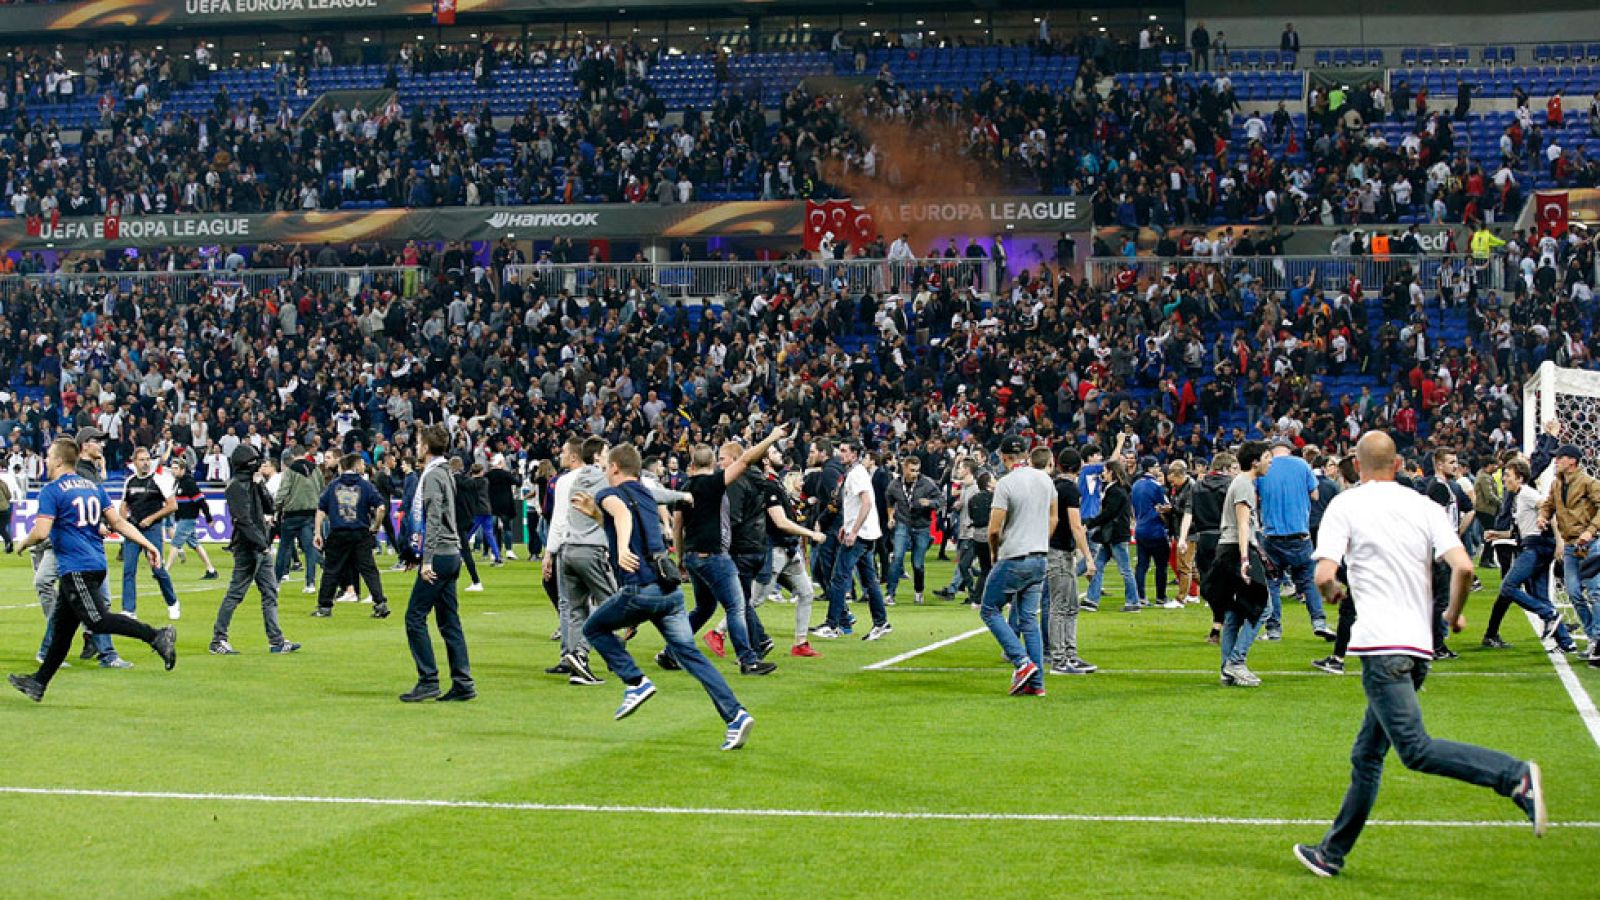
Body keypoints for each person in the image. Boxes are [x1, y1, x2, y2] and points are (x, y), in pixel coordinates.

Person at [1293, 431, 1547, 878]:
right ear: (1397, 465)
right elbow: (1463, 566)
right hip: (1417, 648)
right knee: (1367, 755)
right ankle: (1331, 853)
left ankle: (1513, 776)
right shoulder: (1424, 506)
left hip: (1382, 647)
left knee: (1414, 749)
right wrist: (1453, 613)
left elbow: (1323, 575)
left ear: (1357, 465)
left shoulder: (1346, 505)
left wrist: (1332, 591)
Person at [575, 443, 754, 750]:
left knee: (593, 627)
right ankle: (736, 715)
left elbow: (622, 516)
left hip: (641, 590)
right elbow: (626, 520)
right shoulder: (646, 494)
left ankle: (635, 682)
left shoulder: (608, 494)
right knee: (691, 656)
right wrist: (596, 516)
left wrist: (622, 548)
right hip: (670, 592)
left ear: (614, 468)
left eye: (606, 467)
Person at [8, 437, 178, 703]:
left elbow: (41, 532)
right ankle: (38, 683)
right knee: (62, 630)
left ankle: (156, 635)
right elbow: (118, 522)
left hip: (77, 567)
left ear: (59, 460)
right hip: (95, 563)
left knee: (98, 621)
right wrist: (147, 544)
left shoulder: (52, 491)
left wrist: (23, 543)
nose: (46, 461)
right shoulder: (92, 487)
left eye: (49, 456)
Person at [676, 425, 789, 672]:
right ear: (713, 463)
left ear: (692, 464)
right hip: (714, 556)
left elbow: (678, 524)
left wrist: (680, 557)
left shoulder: (685, 488)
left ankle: (671, 652)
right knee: (736, 607)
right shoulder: (715, 483)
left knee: (704, 607)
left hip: (693, 556)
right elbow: (746, 460)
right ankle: (748, 660)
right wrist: (772, 437)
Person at [400, 424, 475, 702]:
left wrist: (426, 559)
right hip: (451, 553)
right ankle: (463, 683)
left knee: (414, 617)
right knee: (449, 621)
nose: (416, 447)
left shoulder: (432, 476)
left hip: (440, 555)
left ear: (425, 447)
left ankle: (428, 680)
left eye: (418, 443)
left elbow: (432, 520)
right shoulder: (445, 472)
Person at [980, 436, 1057, 696]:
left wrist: (994, 553)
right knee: (1028, 619)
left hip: (1014, 556)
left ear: (1003, 457)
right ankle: (1037, 684)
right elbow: (1053, 517)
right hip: (1039, 557)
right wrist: (1041, 539)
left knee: (989, 609)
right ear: (1025, 453)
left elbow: (993, 529)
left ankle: (1021, 662)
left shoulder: (1006, 483)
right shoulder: (1045, 480)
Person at [211, 444, 302, 655]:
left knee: (270, 593)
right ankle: (218, 640)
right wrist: (262, 545)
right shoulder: (235, 487)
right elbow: (243, 520)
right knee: (236, 594)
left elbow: (269, 506)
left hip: (260, 546)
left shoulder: (252, 483)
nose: (259, 465)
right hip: (248, 548)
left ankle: (276, 640)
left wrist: (260, 485)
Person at [547, 436, 619, 684]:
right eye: (607, 452)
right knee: (613, 603)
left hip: (567, 548)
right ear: (597, 456)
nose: (610, 457)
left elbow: (560, 518)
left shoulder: (568, 480)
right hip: (591, 549)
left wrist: (550, 551)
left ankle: (575, 662)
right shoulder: (604, 479)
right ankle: (584, 651)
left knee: (574, 609)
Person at [1481, 458, 1573, 652]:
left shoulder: (1527, 493)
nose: (1504, 479)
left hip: (1535, 548)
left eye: (1508, 475)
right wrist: (1497, 534)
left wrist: (1559, 542)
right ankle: (1566, 642)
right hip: (1534, 546)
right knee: (1540, 596)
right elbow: (1518, 532)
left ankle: (1549, 614)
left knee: (1508, 586)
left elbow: (1549, 511)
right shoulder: (1518, 497)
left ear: (1520, 478)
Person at [745, 449, 827, 657]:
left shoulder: (777, 482)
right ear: (765, 461)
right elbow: (780, 522)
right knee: (755, 600)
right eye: (774, 452)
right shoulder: (768, 486)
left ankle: (801, 643)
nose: (780, 454)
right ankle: (719, 632)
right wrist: (811, 534)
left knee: (806, 593)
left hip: (789, 550)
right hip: (775, 550)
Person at [1205, 441, 1271, 687]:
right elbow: (1243, 524)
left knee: (1234, 611)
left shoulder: (1241, 482)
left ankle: (1227, 669)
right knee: (1264, 608)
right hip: (1236, 550)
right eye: (1267, 457)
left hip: (1227, 549)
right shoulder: (1244, 484)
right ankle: (1236, 662)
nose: (1270, 461)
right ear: (1255, 461)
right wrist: (1245, 559)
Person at [814, 439, 892, 641]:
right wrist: (846, 526)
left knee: (839, 578)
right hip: (865, 533)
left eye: (844, 450)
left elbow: (866, 503)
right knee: (869, 580)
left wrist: (853, 531)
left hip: (860, 535)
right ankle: (881, 622)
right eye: (840, 450)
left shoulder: (856, 474)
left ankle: (833, 624)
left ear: (855, 454)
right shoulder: (856, 472)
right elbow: (856, 504)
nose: (840, 454)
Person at [1257, 439, 1334, 642]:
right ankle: (1319, 622)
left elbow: (1255, 497)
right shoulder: (1301, 465)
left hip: (1272, 537)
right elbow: (1315, 495)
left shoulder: (1265, 468)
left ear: (1271, 452)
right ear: (1290, 450)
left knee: (1272, 584)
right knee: (1308, 581)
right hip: (1300, 535)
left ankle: (1273, 629)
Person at [1536, 444, 1600, 664]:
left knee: (1595, 593)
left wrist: (1590, 531)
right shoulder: (1556, 484)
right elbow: (1548, 505)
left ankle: (1598, 638)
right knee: (1574, 593)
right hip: (1572, 546)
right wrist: (1543, 517)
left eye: (1560, 458)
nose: (1556, 461)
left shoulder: (1589, 483)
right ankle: (1593, 637)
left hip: (1591, 544)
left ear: (1572, 461)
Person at [311, 453, 391, 619]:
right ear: (355, 466)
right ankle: (380, 604)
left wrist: (317, 532)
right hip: (360, 533)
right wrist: (375, 527)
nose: (363, 466)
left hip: (338, 533)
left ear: (342, 467)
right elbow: (381, 508)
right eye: (361, 464)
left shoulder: (333, 485)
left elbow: (321, 510)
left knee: (331, 570)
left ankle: (324, 607)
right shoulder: (366, 485)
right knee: (369, 570)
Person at [1046, 448, 1097, 675]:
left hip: (1057, 550)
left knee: (1071, 605)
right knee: (1061, 606)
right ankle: (1060, 659)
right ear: (1079, 467)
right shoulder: (1070, 489)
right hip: (1060, 552)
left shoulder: (1053, 486)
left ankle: (1070, 655)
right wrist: (1088, 558)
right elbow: (1076, 526)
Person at [1178, 451, 1238, 645]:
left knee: (1210, 586)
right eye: (1234, 468)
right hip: (1227, 539)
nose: (1237, 472)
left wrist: (1182, 538)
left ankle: (1217, 626)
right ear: (1226, 469)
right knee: (1229, 585)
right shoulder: (1232, 486)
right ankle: (1227, 625)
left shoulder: (1197, 487)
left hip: (1204, 541)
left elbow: (1188, 514)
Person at [118, 447, 184, 620]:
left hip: (152, 529)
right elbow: (124, 505)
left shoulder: (159, 480)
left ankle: (172, 602)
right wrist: (122, 524)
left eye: (148, 459)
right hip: (133, 530)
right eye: (142, 460)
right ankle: (129, 610)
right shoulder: (130, 482)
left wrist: (151, 518)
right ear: (134, 462)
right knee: (128, 569)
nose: (146, 463)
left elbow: (172, 505)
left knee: (157, 568)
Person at [1084, 459, 1139, 612]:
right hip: (1112, 535)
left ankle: (1133, 602)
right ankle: (1091, 600)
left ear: (1111, 472)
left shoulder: (1115, 491)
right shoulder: (1118, 489)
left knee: (1125, 570)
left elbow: (1108, 513)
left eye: (1105, 471)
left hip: (1115, 535)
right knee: (1098, 566)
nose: (1103, 474)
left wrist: (1090, 523)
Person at [885, 455, 940, 605]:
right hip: (903, 523)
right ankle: (890, 594)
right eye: (912, 470)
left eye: (917, 470)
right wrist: (890, 517)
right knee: (897, 558)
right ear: (904, 469)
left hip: (922, 526)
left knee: (917, 564)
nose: (915, 474)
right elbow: (890, 502)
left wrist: (930, 503)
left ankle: (918, 591)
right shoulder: (894, 485)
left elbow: (940, 500)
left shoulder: (927, 483)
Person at [274, 451, 323, 594]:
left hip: (291, 515)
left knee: (284, 548)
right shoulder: (316, 470)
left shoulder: (290, 471)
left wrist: (276, 507)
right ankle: (310, 583)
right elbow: (321, 490)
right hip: (310, 514)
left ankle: (276, 582)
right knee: (309, 549)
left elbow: (283, 491)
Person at [1131, 456, 1174, 609]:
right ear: (1149, 468)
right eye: (1156, 466)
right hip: (1155, 529)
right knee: (1161, 565)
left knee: (1142, 565)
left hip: (1140, 529)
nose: (1158, 469)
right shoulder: (1156, 486)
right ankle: (1161, 597)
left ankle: (1140, 596)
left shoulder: (1136, 485)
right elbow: (1166, 506)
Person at [165, 457, 219, 579]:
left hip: (188, 518)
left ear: (182, 469)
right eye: (172, 468)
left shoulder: (189, 483)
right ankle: (211, 570)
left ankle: (165, 571)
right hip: (184, 518)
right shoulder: (178, 482)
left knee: (175, 543)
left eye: (176, 468)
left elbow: (201, 501)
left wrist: (209, 518)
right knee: (195, 545)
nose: (173, 471)